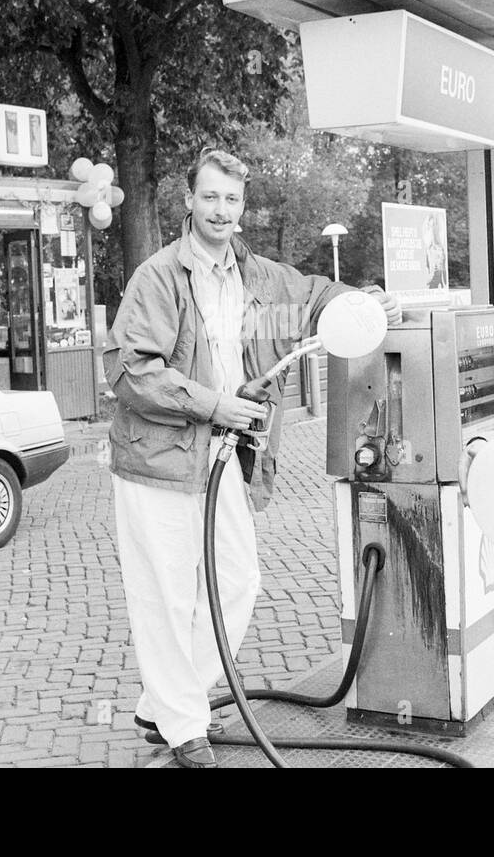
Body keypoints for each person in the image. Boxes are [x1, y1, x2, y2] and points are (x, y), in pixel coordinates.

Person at [103, 147, 401, 768]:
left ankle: (164, 703)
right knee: (167, 594)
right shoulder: (158, 277)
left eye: (232, 199)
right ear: (189, 200)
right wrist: (216, 405)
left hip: (225, 460)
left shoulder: (261, 278)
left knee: (237, 582)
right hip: (159, 461)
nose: (221, 209)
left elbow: (319, 296)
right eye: (210, 196)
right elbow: (131, 372)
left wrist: (365, 302)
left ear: (243, 206)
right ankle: (184, 725)